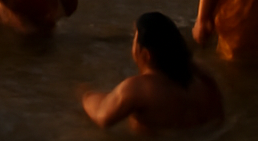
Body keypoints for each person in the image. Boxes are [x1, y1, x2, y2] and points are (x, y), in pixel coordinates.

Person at [81, 11, 224, 132]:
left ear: (146, 54)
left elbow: (102, 117)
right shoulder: (204, 78)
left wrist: (84, 94)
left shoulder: (139, 88)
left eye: (135, 39)